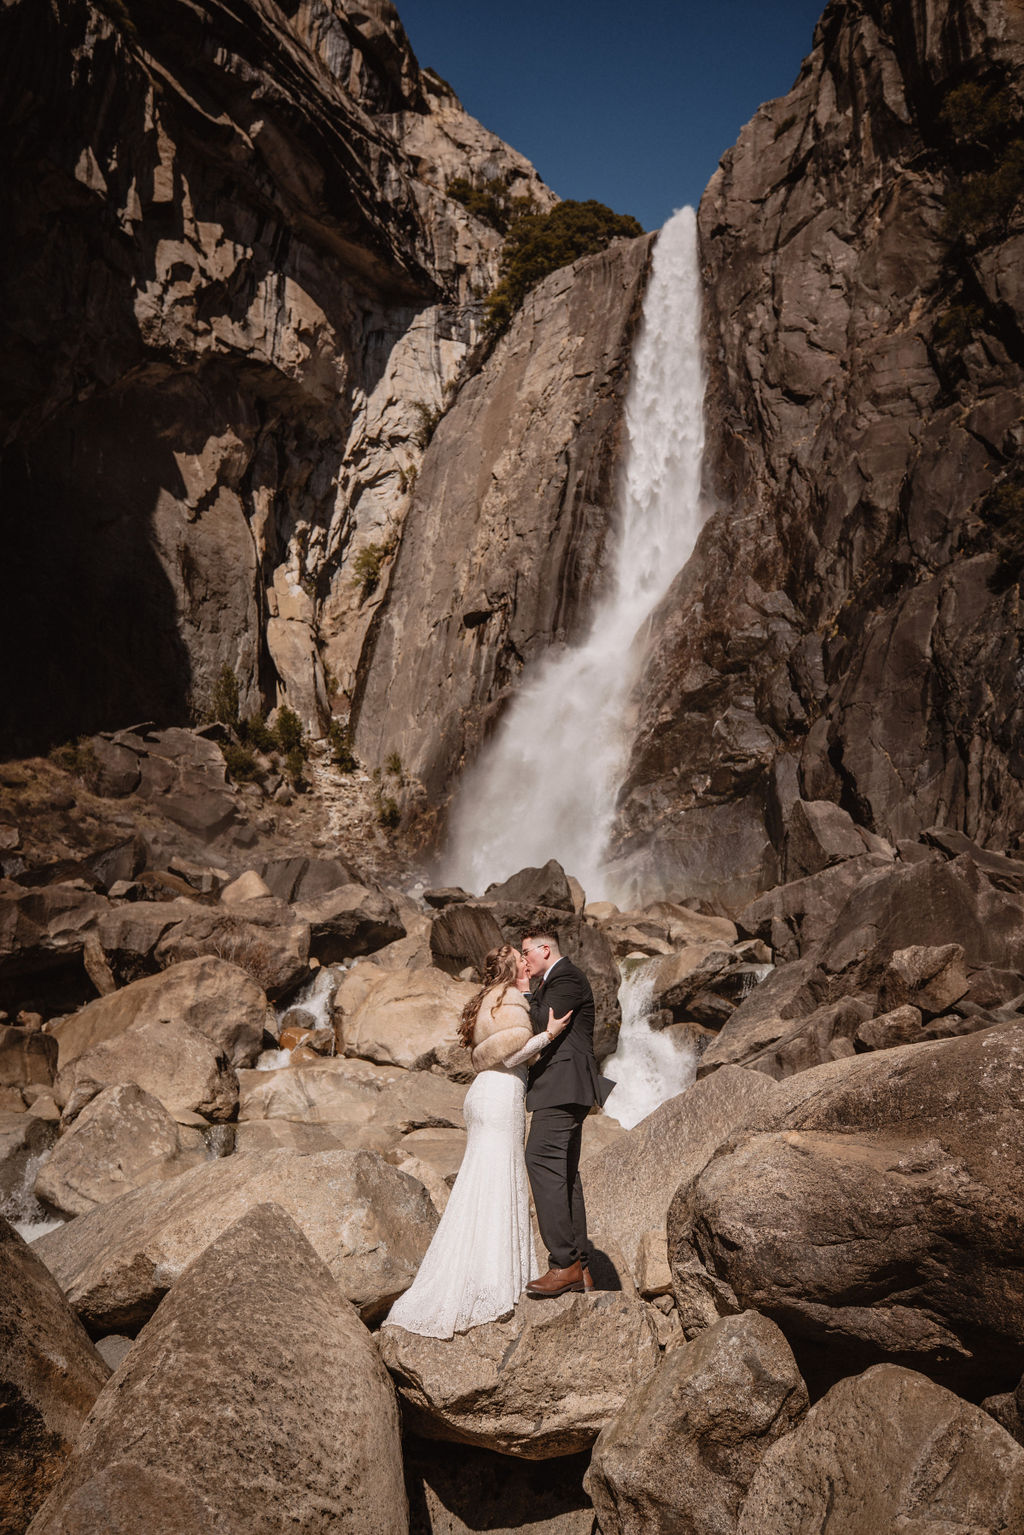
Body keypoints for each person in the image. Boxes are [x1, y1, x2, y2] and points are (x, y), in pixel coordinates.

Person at [382, 944, 570, 1338]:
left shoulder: (486, 998)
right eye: (523, 959)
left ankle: (469, 1275)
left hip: (479, 1095)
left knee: (476, 1186)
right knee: (501, 1183)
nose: (527, 963)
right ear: (515, 968)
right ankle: (496, 1284)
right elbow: (515, 1053)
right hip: (502, 1095)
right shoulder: (512, 999)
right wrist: (549, 1034)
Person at [521, 931, 612, 1298]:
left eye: (527, 952)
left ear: (546, 950)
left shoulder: (566, 977)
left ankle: (564, 1264)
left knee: (540, 1160)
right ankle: (582, 1269)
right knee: (564, 1174)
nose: (525, 959)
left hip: (563, 1087)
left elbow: (546, 1022)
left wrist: (526, 991)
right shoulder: (557, 979)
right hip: (565, 1088)